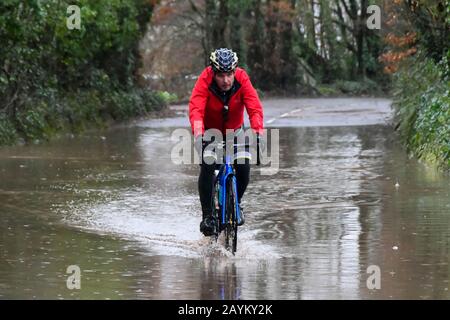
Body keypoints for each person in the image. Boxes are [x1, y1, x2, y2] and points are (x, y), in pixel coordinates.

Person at [189, 48, 264, 236]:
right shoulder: (204, 80)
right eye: (221, 75)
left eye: (229, 74)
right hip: (210, 132)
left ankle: (235, 204)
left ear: (235, 71)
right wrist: (198, 135)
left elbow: (254, 108)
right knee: (207, 165)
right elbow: (196, 109)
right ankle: (207, 216)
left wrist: (258, 133)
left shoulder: (242, 79)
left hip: (236, 131)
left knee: (244, 167)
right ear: (213, 73)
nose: (226, 80)